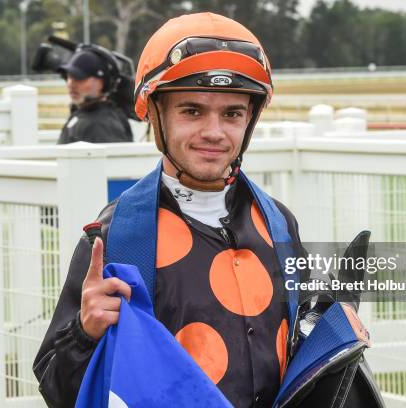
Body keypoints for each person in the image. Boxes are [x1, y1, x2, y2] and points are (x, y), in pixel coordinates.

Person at [34, 13, 383, 408]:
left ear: (250, 119)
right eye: (192, 111)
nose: (214, 132)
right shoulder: (114, 239)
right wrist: (85, 333)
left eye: (232, 113)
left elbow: (293, 360)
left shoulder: (279, 224)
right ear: (153, 113)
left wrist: (331, 326)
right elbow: (56, 390)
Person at [57, 49, 133, 144]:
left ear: (101, 83)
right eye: (69, 77)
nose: (71, 84)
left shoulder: (102, 125)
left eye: (79, 77)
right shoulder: (84, 114)